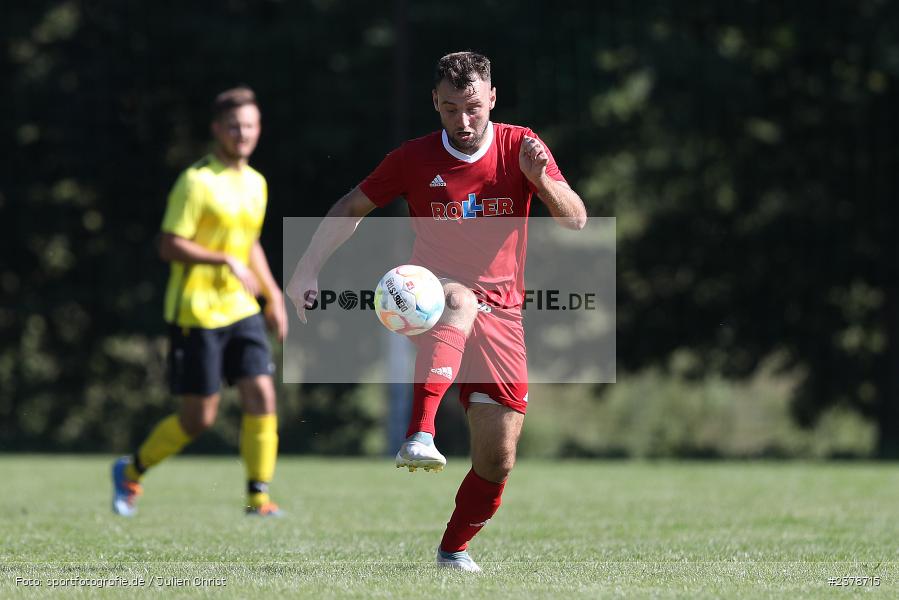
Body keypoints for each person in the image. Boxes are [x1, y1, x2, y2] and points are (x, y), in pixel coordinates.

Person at [286, 51, 586, 571]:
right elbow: (352, 207)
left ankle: (453, 550)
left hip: (504, 317)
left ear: (492, 97)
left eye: (473, 107)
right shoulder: (412, 158)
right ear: (435, 103)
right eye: (450, 109)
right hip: (429, 297)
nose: (464, 122)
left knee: (497, 459)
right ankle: (419, 432)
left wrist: (545, 181)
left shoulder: (522, 146)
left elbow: (575, 220)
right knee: (460, 299)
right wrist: (308, 266)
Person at [111, 86, 288, 517]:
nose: (241, 133)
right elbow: (168, 244)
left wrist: (272, 294)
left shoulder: (256, 183)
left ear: (258, 129)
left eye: (248, 125)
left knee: (262, 396)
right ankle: (131, 470)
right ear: (217, 130)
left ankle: (258, 499)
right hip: (197, 311)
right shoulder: (196, 182)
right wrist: (223, 259)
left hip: (241, 308)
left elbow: (250, 244)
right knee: (198, 419)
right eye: (233, 126)